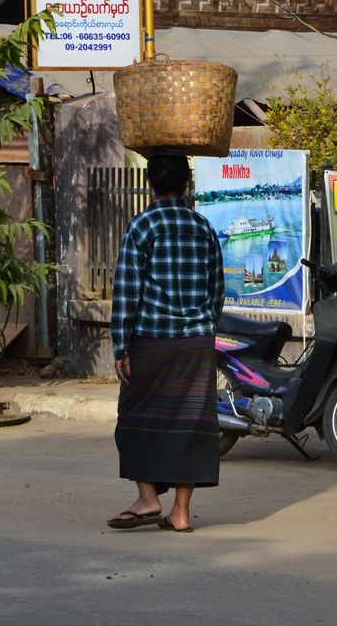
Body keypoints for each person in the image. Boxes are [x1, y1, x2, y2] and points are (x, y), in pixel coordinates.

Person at [107, 153, 224, 533]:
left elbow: (126, 291)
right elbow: (217, 290)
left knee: (136, 421)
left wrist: (120, 347)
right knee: (191, 423)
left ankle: (148, 498)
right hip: (196, 343)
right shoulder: (202, 227)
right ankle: (181, 513)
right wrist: (202, 325)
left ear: (149, 183)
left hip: (151, 342)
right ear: (188, 184)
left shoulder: (142, 226)